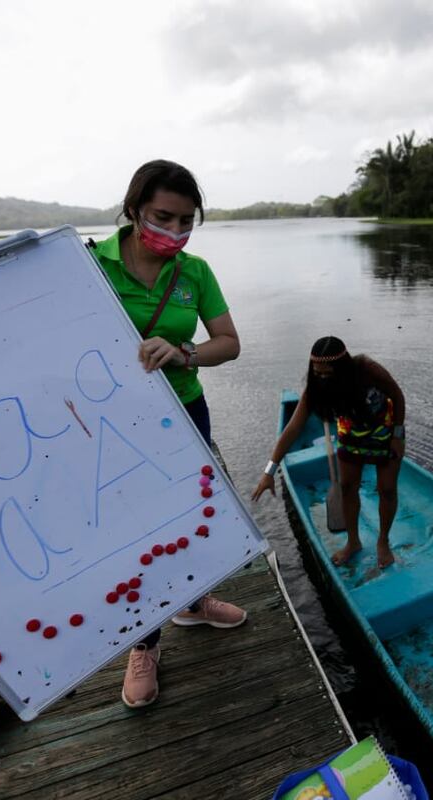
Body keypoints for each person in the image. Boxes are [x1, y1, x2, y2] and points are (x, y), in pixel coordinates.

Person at [92, 159, 248, 709]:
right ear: (135, 208)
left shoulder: (195, 273)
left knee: (191, 517)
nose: (175, 232)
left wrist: (185, 352)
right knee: (137, 534)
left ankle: (193, 601)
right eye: (164, 217)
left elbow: (228, 341)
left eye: (187, 221)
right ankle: (144, 643)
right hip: (112, 425)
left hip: (184, 411)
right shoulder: (90, 265)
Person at [252, 336, 405, 568]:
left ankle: (383, 541)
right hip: (351, 435)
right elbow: (292, 429)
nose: (322, 378)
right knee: (346, 488)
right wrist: (269, 471)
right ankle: (353, 542)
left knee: (387, 490)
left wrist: (397, 434)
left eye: (328, 373)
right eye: (318, 373)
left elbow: (397, 395)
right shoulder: (315, 388)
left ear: (342, 368)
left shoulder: (367, 369)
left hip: (384, 433)